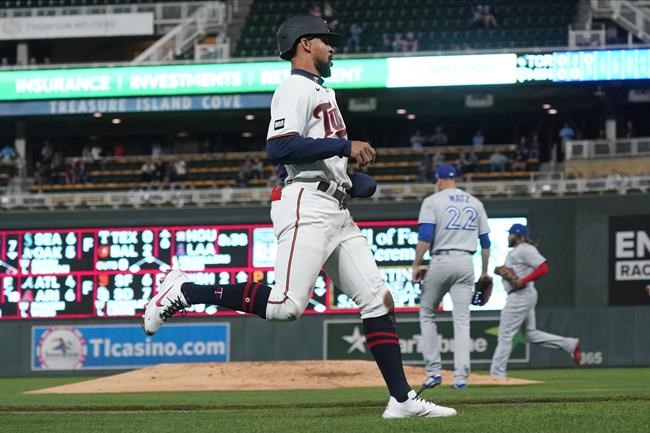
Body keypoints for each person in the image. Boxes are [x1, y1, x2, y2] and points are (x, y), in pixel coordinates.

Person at [141, 14, 456, 419]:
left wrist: (351, 181)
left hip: (333, 208)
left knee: (378, 299)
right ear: (305, 44)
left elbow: (315, 154)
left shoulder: (322, 90)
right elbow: (280, 148)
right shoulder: (294, 86)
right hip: (306, 205)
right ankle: (186, 291)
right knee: (286, 306)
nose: (332, 47)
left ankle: (401, 400)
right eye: (326, 41)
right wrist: (344, 148)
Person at [412, 163, 491, 390]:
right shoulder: (476, 203)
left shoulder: (433, 201)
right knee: (462, 321)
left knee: (427, 312)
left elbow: (425, 238)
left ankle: (433, 373)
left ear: (439, 180)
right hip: (466, 262)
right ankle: (461, 378)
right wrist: (484, 271)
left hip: (442, 260)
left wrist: (416, 264)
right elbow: (485, 243)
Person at [490, 224, 581, 377]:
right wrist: (501, 270)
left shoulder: (525, 249)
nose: (508, 237)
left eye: (510, 234)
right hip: (524, 294)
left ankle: (497, 374)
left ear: (517, 235)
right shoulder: (517, 252)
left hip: (520, 295)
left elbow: (543, 267)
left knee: (505, 335)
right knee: (530, 334)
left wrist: (524, 280)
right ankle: (570, 344)